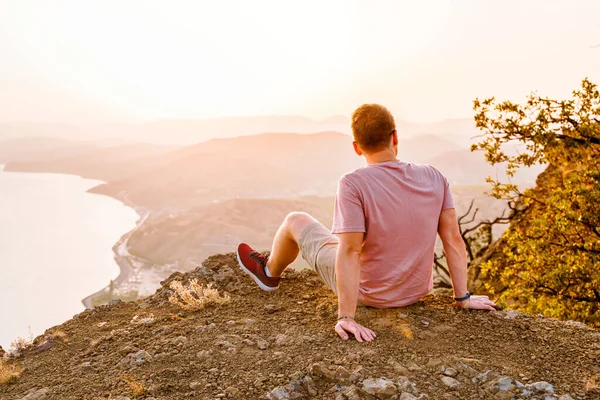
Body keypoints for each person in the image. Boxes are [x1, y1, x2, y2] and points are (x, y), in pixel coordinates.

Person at [237, 104, 496, 343]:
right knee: (347, 239)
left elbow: (351, 250)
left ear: (357, 147)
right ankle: (272, 271)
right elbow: (452, 238)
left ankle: (269, 273)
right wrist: (462, 297)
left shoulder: (353, 183)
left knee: (296, 220)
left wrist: (346, 317)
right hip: (415, 292)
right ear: (395, 137)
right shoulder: (434, 177)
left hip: (370, 294)